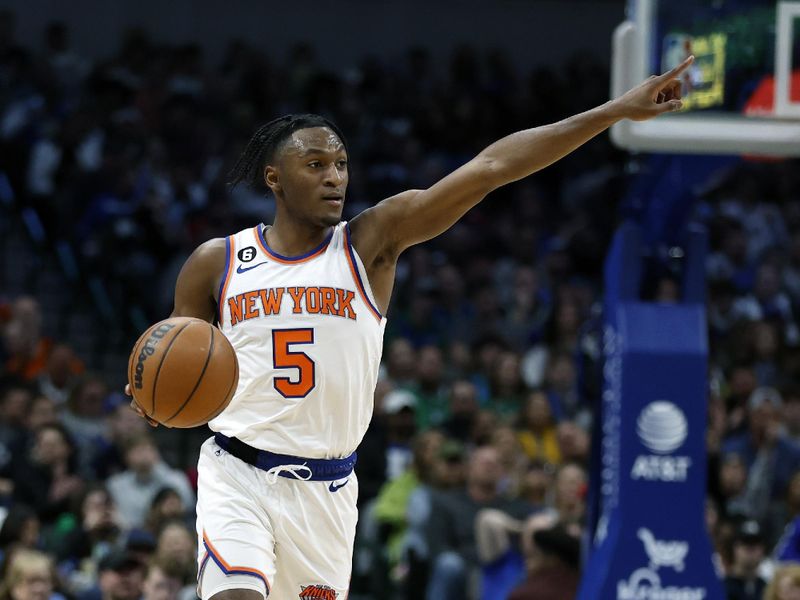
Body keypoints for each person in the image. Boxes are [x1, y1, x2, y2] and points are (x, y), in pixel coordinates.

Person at [127, 55, 694, 600]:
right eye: (316, 165)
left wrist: (613, 111)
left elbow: (491, 169)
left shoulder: (370, 244)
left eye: (341, 164)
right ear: (275, 178)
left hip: (327, 492)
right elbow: (174, 365)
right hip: (238, 471)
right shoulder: (217, 262)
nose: (335, 178)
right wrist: (152, 395)